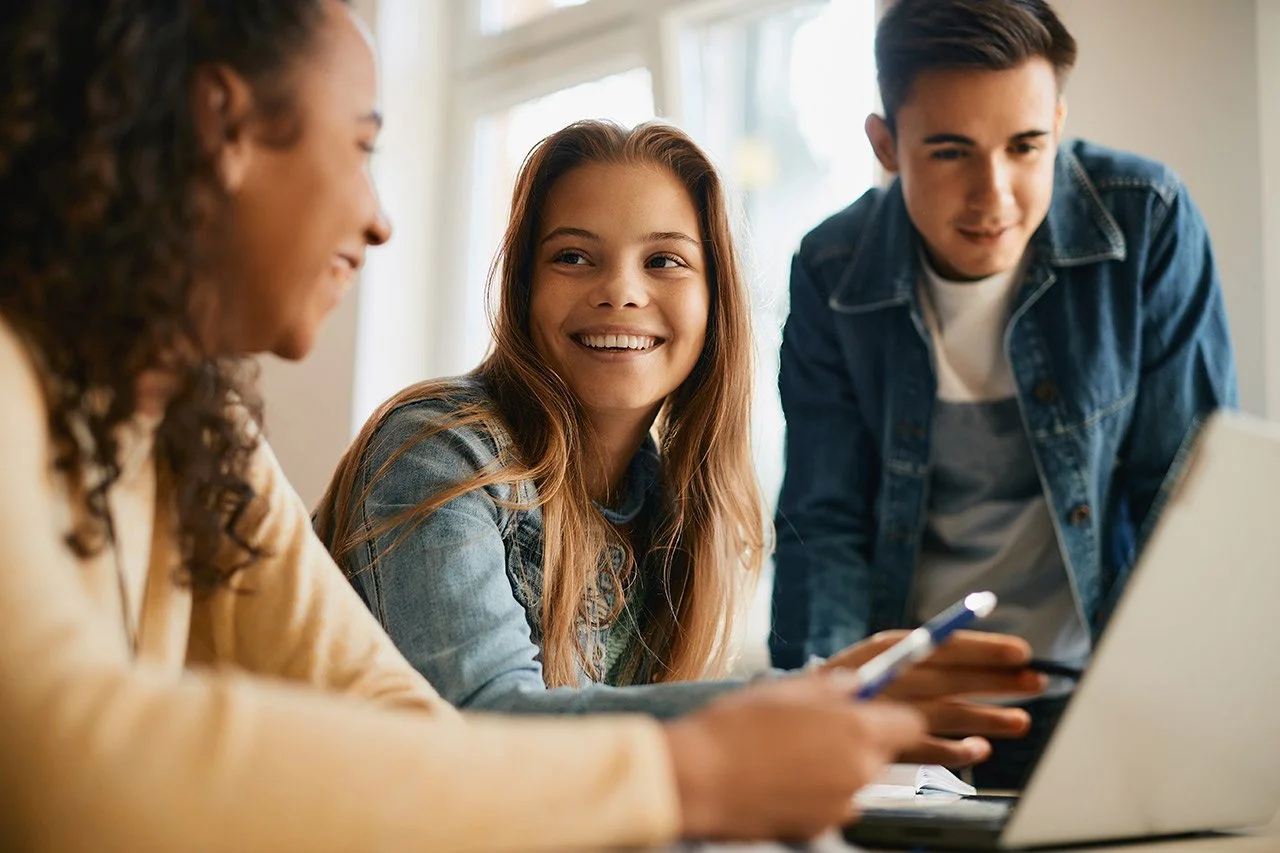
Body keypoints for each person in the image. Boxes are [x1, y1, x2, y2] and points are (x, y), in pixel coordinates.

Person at [0, 2, 932, 849]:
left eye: (666, 260)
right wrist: (693, 767)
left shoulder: (201, 438)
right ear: (225, 125)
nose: (379, 220)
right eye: (362, 147)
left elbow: (400, 717)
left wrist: (803, 711)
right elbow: (69, 761)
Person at [315, 119, 1042, 767]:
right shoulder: (439, 450)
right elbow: (484, 723)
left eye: (664, 260)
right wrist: (800, 699)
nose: (621, 291)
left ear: (713, 300)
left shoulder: (677, 509)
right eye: (573, 257)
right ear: (523, 289)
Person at [770, 0, 1237, 788]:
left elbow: (1182, 495)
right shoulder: (830, 268)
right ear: (885, 146)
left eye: (1027, 147)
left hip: (1107, 704)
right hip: (916, 716)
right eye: (951, 152)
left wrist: (1184, 714)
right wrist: (830, 719)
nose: (995, 195)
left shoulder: (1148, 222)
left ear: (1058, 120)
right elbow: (825, 524)